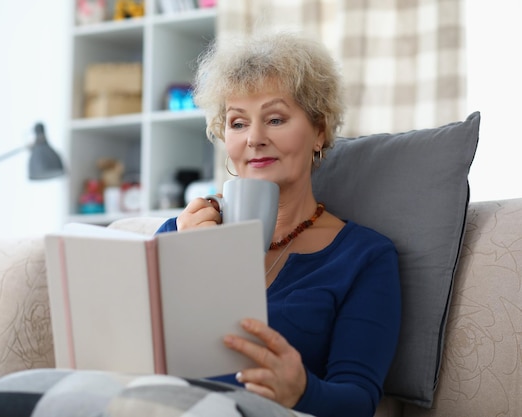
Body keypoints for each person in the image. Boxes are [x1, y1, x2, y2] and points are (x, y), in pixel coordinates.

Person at [155, 31, 401, 417]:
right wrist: (187, 261)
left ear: (319, 130)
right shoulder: (180, 234)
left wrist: (301, 390)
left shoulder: (365, 257)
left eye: (275, 118)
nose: (254, 138)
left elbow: (359, 400)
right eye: (237, 123)